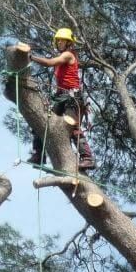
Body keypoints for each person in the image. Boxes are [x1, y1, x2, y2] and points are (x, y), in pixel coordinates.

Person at [27, 27, 96, 171]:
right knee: (42, 121)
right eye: (57, 40)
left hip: (72, 98)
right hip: (60, 97)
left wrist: (32, 57)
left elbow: (49, 63)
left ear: (69, 42)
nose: (59, 42)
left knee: (72, 127)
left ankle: (87, 158)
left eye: (62, 40)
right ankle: (38, 155)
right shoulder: (64, 56)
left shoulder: (68, 55)